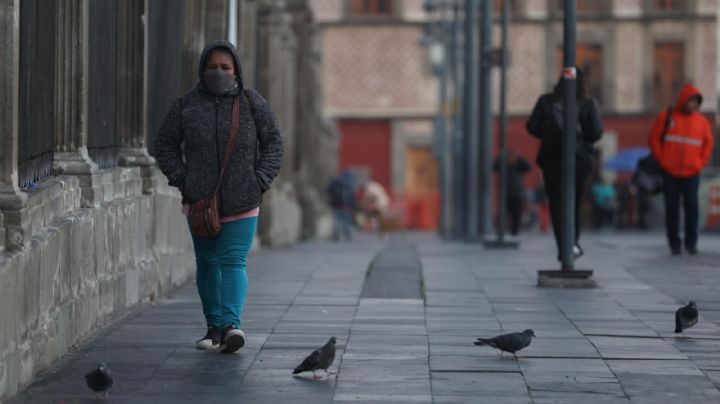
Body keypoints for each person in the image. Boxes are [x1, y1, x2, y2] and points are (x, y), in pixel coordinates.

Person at [155, 40, 283, 353]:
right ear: (202, 70)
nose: (219, 72)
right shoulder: (186, 105)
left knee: (234, 261)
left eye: (225, 67)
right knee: (208, 263)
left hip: (243, 199)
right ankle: (213, 327)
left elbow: (274, 144)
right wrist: (183, 180)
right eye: (212, 67)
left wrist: (260, 180)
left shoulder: (252, 103)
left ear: (236, 70)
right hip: (200, 202)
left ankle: (230, 325)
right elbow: (165, 145)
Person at [526, 68, 603, 261]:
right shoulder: (587, 103)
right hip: (579, 161)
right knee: (574, 204)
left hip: (552, 160)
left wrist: (549, 135)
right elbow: (595, 133)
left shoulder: (546, 101)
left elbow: (531, 126)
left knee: (557, 205)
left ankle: (564, 247)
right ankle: (573, 245)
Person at [648, 83, 714, 255]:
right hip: (670, 171)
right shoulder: (666, 117)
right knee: (672, 208)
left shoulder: (702, 122)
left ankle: (691, 243)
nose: (692, 104)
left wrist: (700, 163)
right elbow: (654, 138)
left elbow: (708, 144)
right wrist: (663, 160)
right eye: (690, 100)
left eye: (695, 102)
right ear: (683, 100)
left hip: (692, 172)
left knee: (692, 206)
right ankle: (674, 243)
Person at [493, 150, 531, 236]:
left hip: (517, 193)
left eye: (512, 157)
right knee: (504, 212)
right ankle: (503, 230)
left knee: (516, 213)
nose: (510, 159)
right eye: (509, 157)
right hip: (505, 193)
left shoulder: (518, 165)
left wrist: (520, 158)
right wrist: (501, 158)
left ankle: (514, 232)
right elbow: (494, 166)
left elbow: (528, 167)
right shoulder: (502, 164)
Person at [327, 170, 356, 241]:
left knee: (337, 220)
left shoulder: (336, 181)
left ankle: (336, 235)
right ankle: (347, 235)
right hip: (348, 206)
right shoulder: (350, 183)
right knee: (347, 221)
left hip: (336, 205)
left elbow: (328, 190)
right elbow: (353, 196)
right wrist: (354, 206)